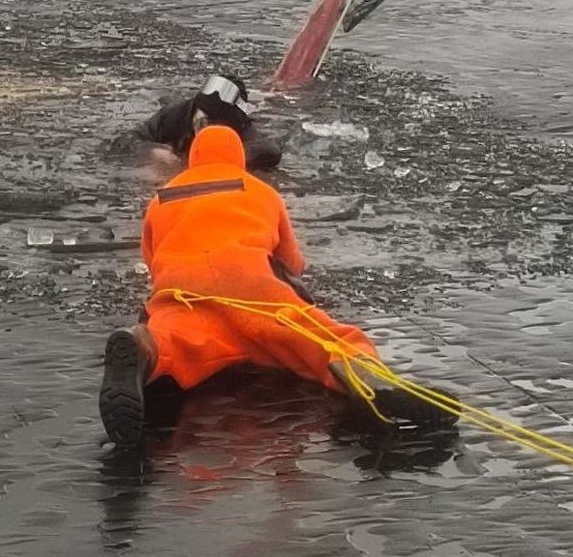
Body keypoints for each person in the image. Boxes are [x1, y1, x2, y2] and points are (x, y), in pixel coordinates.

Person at [99, 125, 459, 446]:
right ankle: (368, 379)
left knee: (176, 340)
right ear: (239, 158)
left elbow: (151, 258)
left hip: (182, 290)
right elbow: (291, 261)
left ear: (192, 159)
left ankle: (142, 349)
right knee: (323, 339)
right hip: (250, 283)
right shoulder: (260, 191)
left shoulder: (162, 198)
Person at [136, 74, 283, 171]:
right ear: (195, 110)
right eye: (203, 123)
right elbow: (127, 140)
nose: (206, 132)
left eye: (217, 126)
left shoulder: (242, 128)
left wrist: (229, 158)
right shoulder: (174, 117)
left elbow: (270, 152)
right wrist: (152, 151)